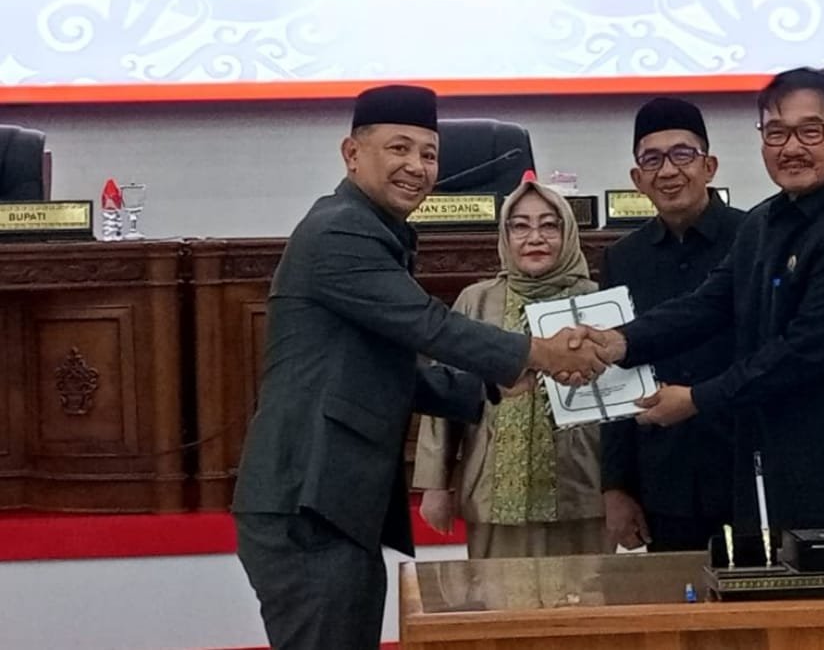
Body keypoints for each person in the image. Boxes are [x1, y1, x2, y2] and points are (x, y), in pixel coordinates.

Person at [232, 84, 610, 650]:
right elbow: (429, 325)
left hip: (331, 501)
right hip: (306, 495)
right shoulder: (341, 229)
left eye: (429, 154)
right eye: (399, 148)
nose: (417, 167)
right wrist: (538, 354)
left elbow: (384, 369)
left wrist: (492, 386)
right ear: (352, 153)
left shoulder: (372, 228)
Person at [587, 68, 824, 591]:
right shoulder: (764, 222)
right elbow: (708, 304)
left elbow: (803, 352)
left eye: (810, 131)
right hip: (775, 490)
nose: (792, 147)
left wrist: (696, 399)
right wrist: (618, 341)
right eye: (776, 132)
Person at [414, 180, 611, 558]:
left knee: (584, 594)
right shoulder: (477, 301)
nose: (535, 238)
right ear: (505, 236)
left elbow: (623, 405)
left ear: (568, 233)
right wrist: (435, 485)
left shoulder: (596, 300)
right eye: (520, 226)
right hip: (492, 489)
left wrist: (624, 488)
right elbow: (444, 397)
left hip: (583, 488)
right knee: (498, 594)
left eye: (549, 225)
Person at [600, 97, 744, 552]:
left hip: (746, 467)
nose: (668, 171)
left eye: (682, 155)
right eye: (652, 159)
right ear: (637, 178)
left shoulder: (755, 239)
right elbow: (614, 372)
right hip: (664, 477)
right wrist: (616, 486)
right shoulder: (623, 258)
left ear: (709, 166)